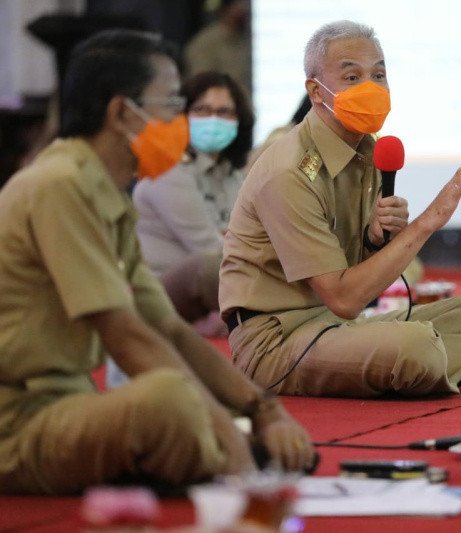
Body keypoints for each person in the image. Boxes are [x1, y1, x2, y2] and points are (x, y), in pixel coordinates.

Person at [0, 30, 313, 496]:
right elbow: (124, 336)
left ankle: (217, 455)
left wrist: (263, 410)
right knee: (169, 399)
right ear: (123, 113)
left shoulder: (106, 190)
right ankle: (230, 458)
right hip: (19, 424)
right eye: (171, 103)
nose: (182, 121)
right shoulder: (58, 184)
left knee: (191, 398)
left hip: (71, 402)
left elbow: (167, 328)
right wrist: (232, 436)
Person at [219, 20, 461, 398]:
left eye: (379, 74)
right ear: (316, 91)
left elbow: (354, 279)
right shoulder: (288, 171)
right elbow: (345, 299)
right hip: (276, 341)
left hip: (335, 325)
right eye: (352, 76)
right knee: (417, 346)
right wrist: (425, 224)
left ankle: (414, 369)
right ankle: (417, 366)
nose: (371, 87)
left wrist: (373, 238)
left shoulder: (369, 149)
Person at [133, 71, 253, 335]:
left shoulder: (232, 173)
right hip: (161, 294)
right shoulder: (169, 169)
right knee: (215, 266)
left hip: (215, 291)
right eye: (202, 110)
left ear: (239, 121)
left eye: (224, 112)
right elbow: (212, 248)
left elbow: (245, 239)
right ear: (183, 115)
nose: (213, 120)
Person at [184, 0, 251, 95]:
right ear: (227, 9)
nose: (247, 9)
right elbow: (201, 86)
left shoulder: (249, 40)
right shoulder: (206, 44)